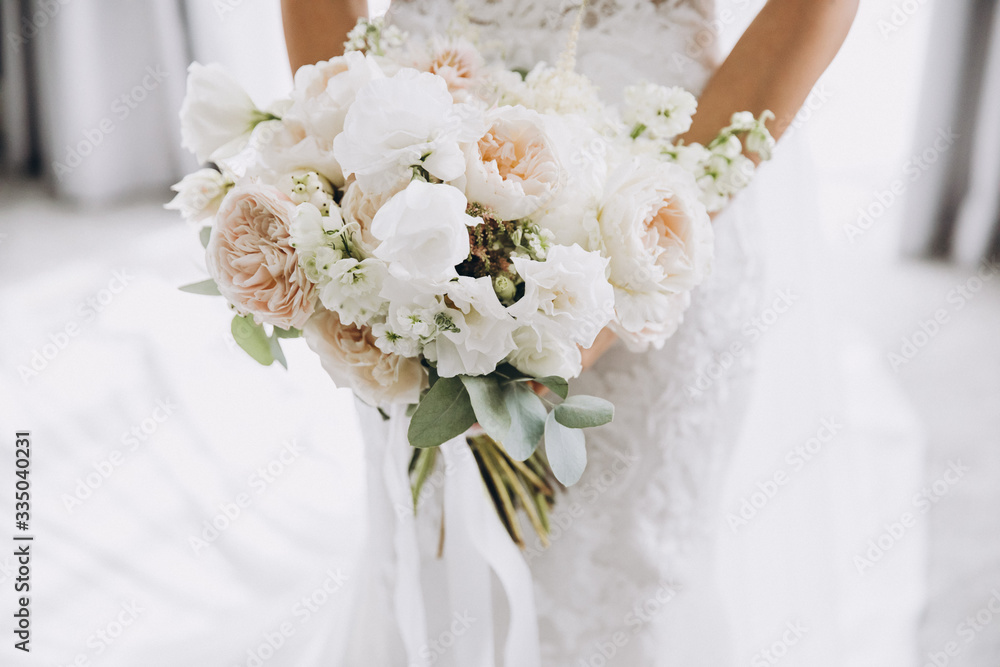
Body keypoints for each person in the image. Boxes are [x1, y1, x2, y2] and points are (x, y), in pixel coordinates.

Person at [281, 1, 869, 665]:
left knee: (626, 570)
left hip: (664, 161)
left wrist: (628, 265)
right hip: (403, 157)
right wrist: (345, 178)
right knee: (431, 538)